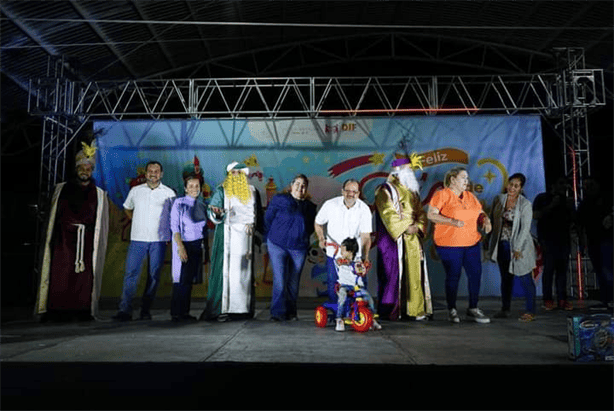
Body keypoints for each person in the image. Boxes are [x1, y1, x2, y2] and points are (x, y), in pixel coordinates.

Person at [35, 141, 109, 321]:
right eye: (82, 168)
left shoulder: (98, 193)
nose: (85, 171)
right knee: (61, 274)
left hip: (87, 241)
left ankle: (82, 311)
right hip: (63, 242)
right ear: (76, 169)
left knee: (83, 277)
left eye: (88, 168)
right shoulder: (61, 189)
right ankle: (56, 311)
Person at [427, 166, 492, 323]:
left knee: (475, 275)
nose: (466, 181)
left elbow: (480, 212)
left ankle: (473, 308)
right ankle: (452, 309)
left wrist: (485, 220)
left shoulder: (470, 196)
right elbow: (431, 215)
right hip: (450, 244)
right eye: (463, 178)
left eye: (467, 178)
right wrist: (452, 221)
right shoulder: (441, 195)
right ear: (453, 179)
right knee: (453, 276)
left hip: (471, 243)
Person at [113, 161, 176, 321]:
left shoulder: (169, 193)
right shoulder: (136, 191)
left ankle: (145, 310)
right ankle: (124, 310)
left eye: (156, 171)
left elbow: (173, 217)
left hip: (158, 241)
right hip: (137, 240)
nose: (153, 174)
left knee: (154, 276)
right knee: (131, 274)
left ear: (161, 174)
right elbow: (127, 207)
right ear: (146, 173)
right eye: (150, 171)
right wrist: (135, 220)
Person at [201, 161, 263, 321]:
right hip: (227, 237)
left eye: (240, 173)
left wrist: (258, 235)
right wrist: (217, 213)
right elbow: (213, 211)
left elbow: (259, 216)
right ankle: (221, 310)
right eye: (233, 173)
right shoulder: (222, 190)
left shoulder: (253, 191)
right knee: (226, 273)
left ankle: (243, 311)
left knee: (244, 274)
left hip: (246, 240)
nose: (237, 176)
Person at [375, 155, 433, 321]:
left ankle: (414, 309)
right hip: (396, 239)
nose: (411, 172)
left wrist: (419, 226)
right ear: (398, 170)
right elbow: (387, 213)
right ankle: (392, 309)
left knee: (415, 273)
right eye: (408, 169)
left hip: (413, 238)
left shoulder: (412, 190)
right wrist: (405, 227)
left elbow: (421, 212)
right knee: (393, 274)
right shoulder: (385, 190)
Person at [265, 174, 317, 321]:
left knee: (293, 282)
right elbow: (268, 219)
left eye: (303, 185)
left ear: (306, 189)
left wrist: (301, 236)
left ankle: (291, 312)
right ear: (291, 185)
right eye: (298, 184)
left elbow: (311, 227)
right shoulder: (279, 199)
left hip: (298, 248)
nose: (300, 187)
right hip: (277, 245)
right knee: (280, 280)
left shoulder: (310, 207)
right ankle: (277, 313)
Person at [488, 173, 538, 322]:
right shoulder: (499, 199)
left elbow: (524, 228)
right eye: (511, 184)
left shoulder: (525, 204)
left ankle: (530, 310)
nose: (512, 188)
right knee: (505, 278)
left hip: (519, 247)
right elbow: (493, 221)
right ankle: (505, 309)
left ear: (521, 188)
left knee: (525, 278)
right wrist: (487, 238)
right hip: (502, 244)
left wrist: (517, 248)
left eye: (516, 186)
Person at [314, 179, 372, 304]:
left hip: (355, 256)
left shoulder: (364, 209)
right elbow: (318, 223)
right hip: (334, 253)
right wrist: (321, 239)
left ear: (358, 193)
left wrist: (366, 257)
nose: (351, 194)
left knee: (359, 285)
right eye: (348, 190)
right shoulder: (330, 205)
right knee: (334, 283)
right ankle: (337, 315)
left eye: (354, 191)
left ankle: (358, 314)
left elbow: (366, 236)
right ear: (342, 191)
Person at [170, 174, 207, 322]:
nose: (194, 189)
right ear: (185, 188)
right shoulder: (179, 203)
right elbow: (175, 227)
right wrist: (180, 246)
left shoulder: (201, 205)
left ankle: (185, 312)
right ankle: (177, 313)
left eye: (197, 186)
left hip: (197, 245)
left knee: (189, 281)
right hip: (184, 244)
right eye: (191, 186)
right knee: (182, 280)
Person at [533, 176, 574, 311]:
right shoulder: (542, 198)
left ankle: (562, 299)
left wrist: (571, 207)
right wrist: (552, 205)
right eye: (561, 183)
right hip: (548, 239)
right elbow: (536, 215)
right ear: (553, 185)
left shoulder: (567, 200)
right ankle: (548, 299)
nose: (564, 186)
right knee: (549, 269)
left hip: (564, 239)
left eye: (566, 184)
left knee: (562, 270)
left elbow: (573, 221)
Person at [577, 176, 613, 311]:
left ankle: (610, 299)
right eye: (585, 185)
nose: (588, 188)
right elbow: (580, 224)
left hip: (607, 240)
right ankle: (606, 300)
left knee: (607, 270)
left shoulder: (606, 199)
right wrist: (582, 242)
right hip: (593, 241)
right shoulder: (584, 203)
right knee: (599, 271)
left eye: (591, 184)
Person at [334, 237, 381, 332]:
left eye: (343, 250)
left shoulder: (358, 261)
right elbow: (338, 261)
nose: (341, 252)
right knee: (342, 298)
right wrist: (343, 262)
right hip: (344, 285)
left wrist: (364, 268)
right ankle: (339, 319)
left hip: (356, 286)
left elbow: (361, 270)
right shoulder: (340, 259)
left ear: (351, 252)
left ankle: (371, 318)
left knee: (368, 298)